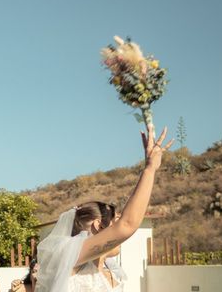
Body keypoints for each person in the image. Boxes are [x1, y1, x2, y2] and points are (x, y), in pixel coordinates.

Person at [36, 124, 173, 292]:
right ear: (98, 225)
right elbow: (128, 224)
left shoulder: (112, 273)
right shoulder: (67, 256)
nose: (120, 235)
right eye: (115, 221)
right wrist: (150, 169)